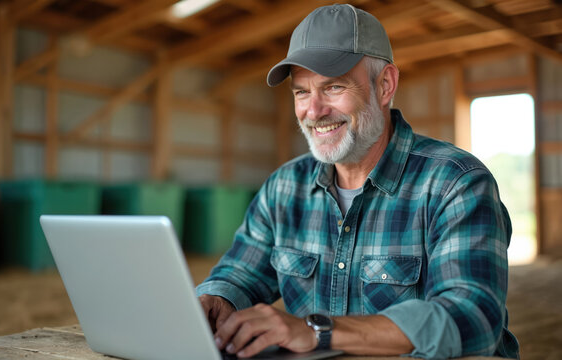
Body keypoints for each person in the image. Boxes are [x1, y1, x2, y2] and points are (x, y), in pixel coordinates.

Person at [196, 4, 519, 359]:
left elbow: (472, 320)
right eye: (301, 92)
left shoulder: (455, 183)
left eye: (333, 87)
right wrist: (217, 299)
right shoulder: (283, 188)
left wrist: (314, 331)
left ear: (385, 85)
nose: (314, 111)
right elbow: (240, 272)